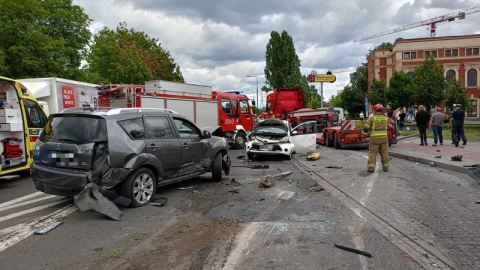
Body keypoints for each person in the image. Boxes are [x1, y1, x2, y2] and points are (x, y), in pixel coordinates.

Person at [363, 103, 389, 173]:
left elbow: (365, 128)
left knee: (372, 153)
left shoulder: (372, 118)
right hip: (384, 138)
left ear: (375, 110)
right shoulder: (386, 118)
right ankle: (385, 167)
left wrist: (364, 135)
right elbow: (388, 127)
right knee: (384, 153)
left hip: (374, 138)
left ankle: (371, 168)